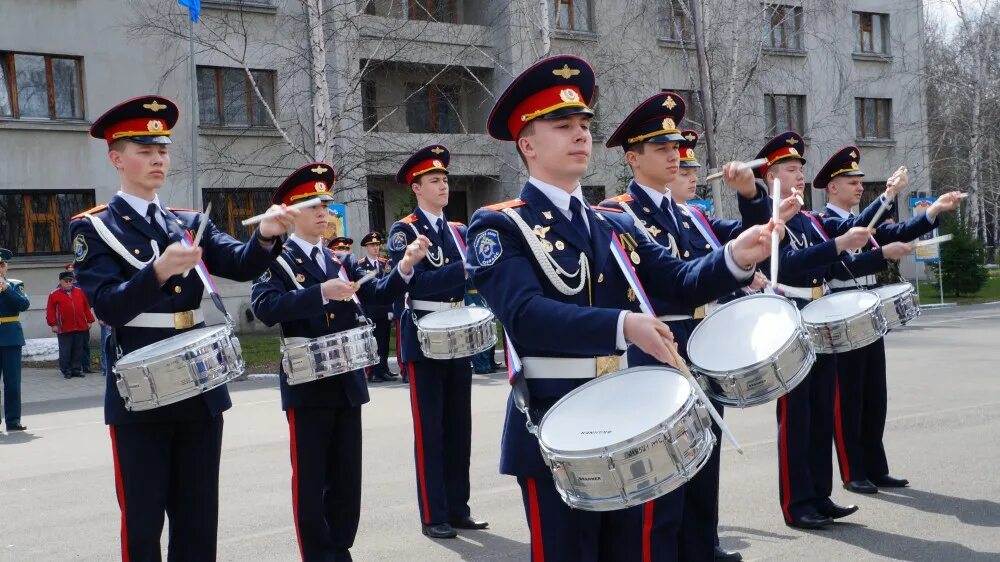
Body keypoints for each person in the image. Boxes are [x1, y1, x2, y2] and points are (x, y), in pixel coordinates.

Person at [468, 54, 782, 561]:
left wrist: (737, 256)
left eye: (584, 125)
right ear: (527, 144)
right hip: (557, 423)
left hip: (627, 417)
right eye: (562, 125)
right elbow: (524, 315)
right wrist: (622, 324)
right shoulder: (501, 225)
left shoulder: (609, 224)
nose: (580, 134)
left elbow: (677, 281)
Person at [70, 95, 295, 561]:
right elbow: (108, 308)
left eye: (163, 150)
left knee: (197, 515)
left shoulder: (187, 222)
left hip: (199, 387)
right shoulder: (96, 228)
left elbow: (240, 263)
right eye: (144, 150)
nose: (157, 159)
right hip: (141, 389)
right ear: (116, 158)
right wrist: (156, 272)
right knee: (143, 518)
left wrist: (268, 235)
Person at [251, 163, 427, 561]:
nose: (322, 213)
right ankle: (318, 554)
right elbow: (265, 307)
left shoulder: (337, 260)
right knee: (311, 480)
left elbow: (376, 293)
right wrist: (319, 294)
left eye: (325, 205)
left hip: (346, 380)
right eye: (313, 205)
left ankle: (340, 547)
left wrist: (405, 266)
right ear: (290, 213)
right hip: (309, 384)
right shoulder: (278, 260)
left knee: (348, 478)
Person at [814, 147, 963, 496]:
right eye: (851, 182)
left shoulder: (865, 219)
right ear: (831, 188)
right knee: (848, 397)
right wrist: (888, 194)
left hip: (868, 310)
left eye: (860, 182)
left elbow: (897, 231)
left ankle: (875, 467)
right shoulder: (824, 222)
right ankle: (853, 472)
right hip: (841, 312)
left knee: (873, 395)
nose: (857, 187)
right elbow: (857, 231)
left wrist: (934, 211)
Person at [387, 144, 489, 539]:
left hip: (458, 333)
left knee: (458, 427)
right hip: (424, 334)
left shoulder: (459, 232)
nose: (443, 185)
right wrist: (462, 271)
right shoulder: (405, 231)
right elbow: (419, 282)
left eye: (445, 179)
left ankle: (458, 507)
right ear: (417, 188)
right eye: (434, 180)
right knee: (430, 430)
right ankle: (433, 514)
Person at [357, 231, 398, 383]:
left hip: (383, 309)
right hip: (369, 311)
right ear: (366, 247)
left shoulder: (385, 263)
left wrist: (390, 309)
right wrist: (360, 312)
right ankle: (373, 372)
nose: (375, 248)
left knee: (384, 341)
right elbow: (359, 290)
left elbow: (389, 287)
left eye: (377, 245)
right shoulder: (360, 265)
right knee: (371, 343)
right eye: (372, 245)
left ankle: (383, 369)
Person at [46, 271, 95, 379]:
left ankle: (76, 369)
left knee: (78, 349)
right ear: (60, 281)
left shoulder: (79, 291)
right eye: (66, 281)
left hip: (79, 325)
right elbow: (50, 311)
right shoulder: (54, 294)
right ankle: (66, 370)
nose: (68, 283)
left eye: (70, 281)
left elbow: (86, 307)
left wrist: (89, 320)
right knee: (65, 350)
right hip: (64, 327)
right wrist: (53, 324)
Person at [0, 248, 29, 432]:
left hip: (11, 338)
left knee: (12, 382)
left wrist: (7, 289)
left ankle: (13, 420)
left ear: (6, 267)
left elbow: (23, 305)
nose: (0, 269)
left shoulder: (15, 285)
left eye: (2, 265)